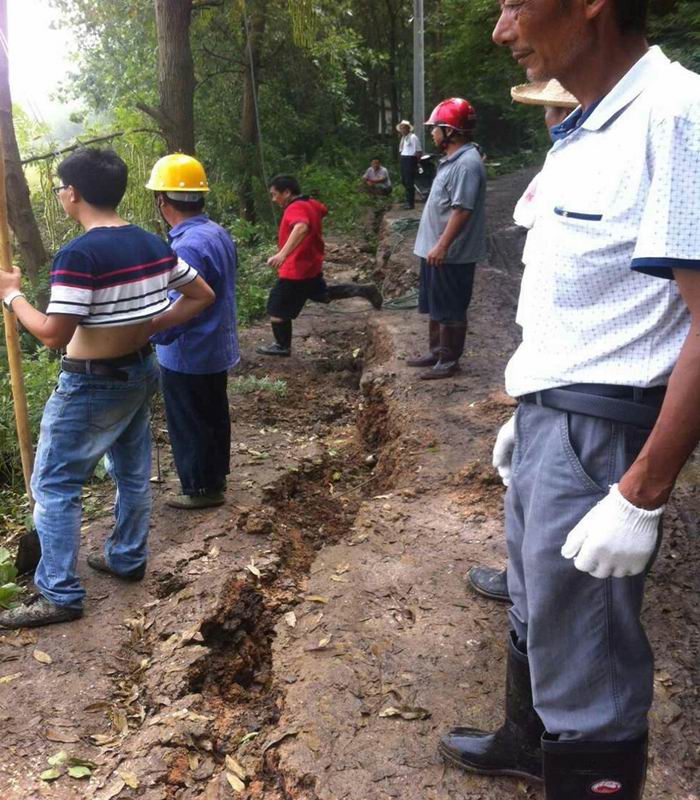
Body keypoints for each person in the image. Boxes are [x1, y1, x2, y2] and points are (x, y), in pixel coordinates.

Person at [439, 2, 700, 798]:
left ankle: (585, 767)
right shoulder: (585, 128)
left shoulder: (675, 117)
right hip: (556, 414)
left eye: (516, 2)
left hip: (604, 430)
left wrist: (643, 491)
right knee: (537, 603)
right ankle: (527, 742)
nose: (501, 29)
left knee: (587, 659)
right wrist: (535, 406)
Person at [0, 148, 214, 629]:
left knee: (54, 485)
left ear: (73, 194)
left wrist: (11, 295)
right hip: (139, 371)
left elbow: (53, 333)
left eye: (60, 189)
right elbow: (201, 294)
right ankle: (126, 556)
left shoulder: (80, 255)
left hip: (91, 384)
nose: (61, 195)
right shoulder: (150, 243)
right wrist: (152, 324)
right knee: (132, 471)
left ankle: (59, 592)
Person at [467, 79, 578, 604]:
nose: (551, 119)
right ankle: (522, 586)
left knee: (559, 508)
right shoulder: (561, 163)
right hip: (545, 374)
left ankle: (545, 603)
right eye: (549, 109)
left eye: (561, 108)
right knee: (527, 495)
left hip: (582, 387)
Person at [146, 154, 239, 510]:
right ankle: (214, 479)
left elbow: (180, 308)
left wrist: (152, 334)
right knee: (213, 414)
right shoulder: (215, 232)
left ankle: (200, 489)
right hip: (214, 345)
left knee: (189, 421)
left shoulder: (185, 246)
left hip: (188, 351)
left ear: (162, 201)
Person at [257, 175, 382, 357]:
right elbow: (323, 210)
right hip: (311, 264)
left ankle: (282, 346)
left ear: (287, 192)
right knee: (322, 294)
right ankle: (364, 290)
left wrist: (282, 254)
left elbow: (301, 227)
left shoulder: (295, 207)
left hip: (296, 269)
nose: (274, 199)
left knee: (276, 307)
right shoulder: (310, 203)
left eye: (275, 194)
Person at [407, 98, 487, 381]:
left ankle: (449, 361)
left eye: (436, 128)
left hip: (450, 254)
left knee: (450, 305)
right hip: (435, 250)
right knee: (437, 303)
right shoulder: (454, 161)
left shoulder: (466, 164)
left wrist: (442, 245)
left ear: (450, 130)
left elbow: (462, 209)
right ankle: (437, 352)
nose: (432, 133)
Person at [396, 120, 422, 209]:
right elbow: (401, 150)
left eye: (404, 128)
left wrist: (417, 162)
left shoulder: (413, 137)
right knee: (404, 180)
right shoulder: (403, 138)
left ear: (408, 128)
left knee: (409, 181)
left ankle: (410, 203)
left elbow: (418, 151)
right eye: (401, 128)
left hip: (410, 159)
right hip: (404, 159)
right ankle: (407, 200)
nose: (402, 130)